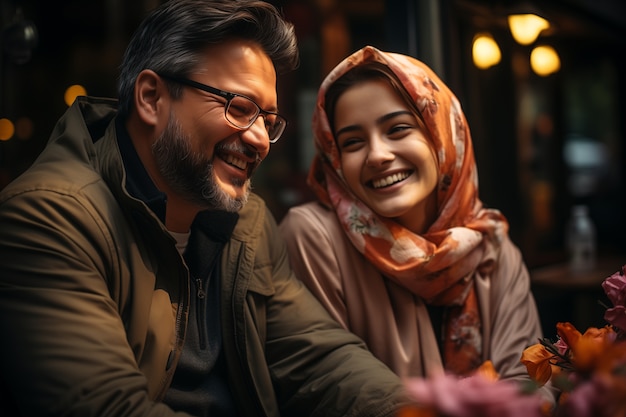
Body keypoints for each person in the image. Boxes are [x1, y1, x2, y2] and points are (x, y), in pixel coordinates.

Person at [0, 4, 412, 416]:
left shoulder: (246, 223)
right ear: (151, 98)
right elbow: (108, 407)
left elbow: (316, 358)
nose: (261, 141)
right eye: (239, 107)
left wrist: (413, 410)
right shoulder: (47, 219)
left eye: (267, 119)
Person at [279, 46, 554, 397]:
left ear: (442, 136)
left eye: (397, 129)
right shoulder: (313, 238)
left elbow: (532, 386)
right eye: (352, 142)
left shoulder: (491, 247)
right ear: (335, 160)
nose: (378, 155)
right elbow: (332, 391)